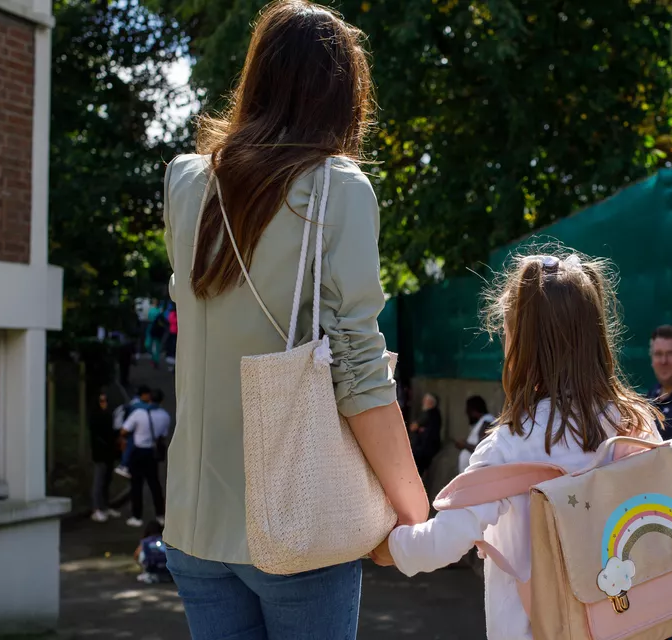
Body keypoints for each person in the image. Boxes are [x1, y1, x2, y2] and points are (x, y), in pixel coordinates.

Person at [158, 2, 429, 636]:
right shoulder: (338, 187)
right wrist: (413, 509)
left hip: (192, 525)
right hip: (295, 524)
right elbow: (358, 365)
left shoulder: (185, 181)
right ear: (342, 93)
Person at [371, 251, 663, 640]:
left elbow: (441, 544)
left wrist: (388, 546)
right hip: (628, 622)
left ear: (519, 342)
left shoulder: (511, 443)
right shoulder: (636, 423)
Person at [122, 389, 170, 527]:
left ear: (149, 399)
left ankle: (137, 516)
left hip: (138, 451)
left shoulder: (139, 413)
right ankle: (160, 514)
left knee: (136, 485)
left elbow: (124, 430)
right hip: (152, 452)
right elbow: (163, 435)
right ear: (161, 401)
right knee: (155, 484)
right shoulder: (165, 416)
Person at [89, 391, 122, 523]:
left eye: (106, 401)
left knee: (107, 480)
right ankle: (96, 508)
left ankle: (104, 506)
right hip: (100, 453)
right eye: (102, 401)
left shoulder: (109, 415)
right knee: (99, 480)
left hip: (109, 452)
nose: (105, 404)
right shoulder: (95, 417)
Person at [115, 386, 155, 479]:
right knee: (130, 446)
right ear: (143, 395)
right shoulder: (137, 405)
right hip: (131, 429)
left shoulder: (134, 403)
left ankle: (125, 465)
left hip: (130, 428)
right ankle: (124, 465)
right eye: (148, 395)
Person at [454, 395, 495, 474]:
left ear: (474, 411)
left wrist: (465, 444)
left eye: (468, 411)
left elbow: (482, 450)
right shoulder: (482, 422)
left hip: (475, 473)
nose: (466, 413)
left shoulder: (487, 422)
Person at [409, 393, 443, 478]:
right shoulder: (435, 413)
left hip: (425, 449)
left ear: (431, 403)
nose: (423, 402)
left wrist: (419, 429)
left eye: (425, 400)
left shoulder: (429, 413)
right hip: (428, 447)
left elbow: (413, 427)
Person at [145, 298, 170, 368]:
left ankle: (155, 360)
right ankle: (154, 358)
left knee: (156, 346)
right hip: (152, 328)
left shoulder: (159, 310)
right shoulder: (155, 310)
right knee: (149, 344)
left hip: (157, 330)